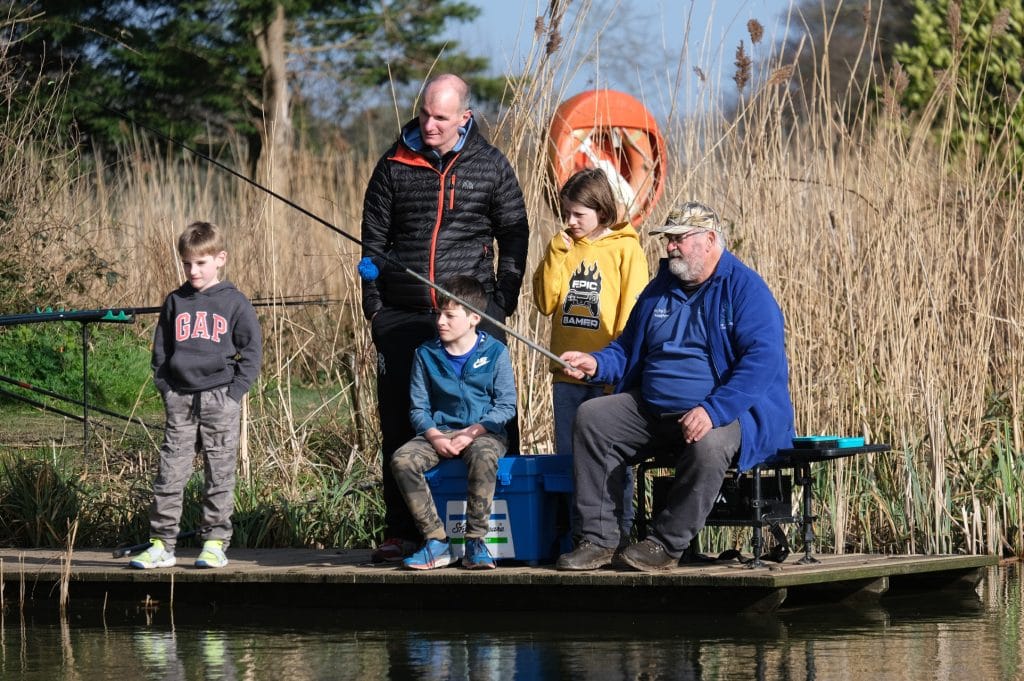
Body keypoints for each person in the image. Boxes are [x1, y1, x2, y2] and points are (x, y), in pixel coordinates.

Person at [553, 201, 795, 572]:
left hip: (727, 413)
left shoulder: (745, 289)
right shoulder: (659, 289)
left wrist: (712, 410)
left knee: (710, 443)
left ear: (710, 240)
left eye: (679, 239)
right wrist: (598, 363)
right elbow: (626, 347)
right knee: (593, 418)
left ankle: (665, 545)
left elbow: (761, 364)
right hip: (652, 410)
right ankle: (598, 540)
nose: (669, 247)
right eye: (668, 240)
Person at [360, 73, 529, 563]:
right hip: (403, 315)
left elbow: (514, 233)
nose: (429, 125)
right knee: (398, 419)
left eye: (440, 117)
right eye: (424, 114)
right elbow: (371, 245)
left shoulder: (491, 165)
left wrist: (500, 303)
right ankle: (405, 531)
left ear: (464, 118)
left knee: (493, 421)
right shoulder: (393, 164)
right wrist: (376, 310)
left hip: (471, 316)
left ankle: (498, 531)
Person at [130, 221, 263, 569]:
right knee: (170, 471)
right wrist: (168, 391)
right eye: (187, 263)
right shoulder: (175, 301)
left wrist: (234, 394)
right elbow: (160, 353)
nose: (193, 270)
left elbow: (252, 353)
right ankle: (162, 544)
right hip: (181, 400)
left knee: (219, 474)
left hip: (220, 398)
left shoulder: (235, 302)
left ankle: (215, 543)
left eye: (201, 263)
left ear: (220, 259)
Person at [532, 168, 648, 541]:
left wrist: (620, 369)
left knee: (613, 457)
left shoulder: (626, 248)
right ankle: (581, 535)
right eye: (566, 213)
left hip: (607, 376)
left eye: (578, 214)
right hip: (567, 374)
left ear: (601, 209)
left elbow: (633, 313)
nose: (570, 221)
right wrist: (555, 254)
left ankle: (621, 532)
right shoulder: (563, 245)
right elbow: (545, 301)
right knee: (572, 459)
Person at [390, 275, 517, 570]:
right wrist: (435, 436)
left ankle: (475, 542)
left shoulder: (495, 352)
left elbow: (505, 405)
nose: (440, 322)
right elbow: (419, 408)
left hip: (484, 433)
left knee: (484, 455)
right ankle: (436, 542)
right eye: (439, 314)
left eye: (450, 315)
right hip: (441, 432)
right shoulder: (425, 354)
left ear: (474, 318)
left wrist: (473, 433)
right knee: (402, 460)